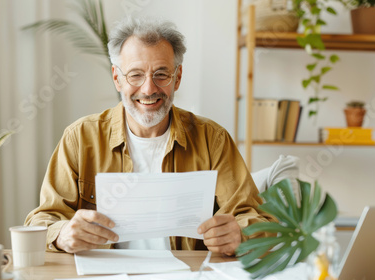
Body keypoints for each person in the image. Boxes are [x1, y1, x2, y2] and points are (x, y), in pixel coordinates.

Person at [25, 17, 275, 256]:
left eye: (161, 74)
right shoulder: (79, 138)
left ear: (177, 78)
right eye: (135, 75)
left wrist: (240, 234)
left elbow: (255, 218)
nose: (148, 88)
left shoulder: (213, 139)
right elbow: (42, 220)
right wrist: (62, 234)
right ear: (117, 78)